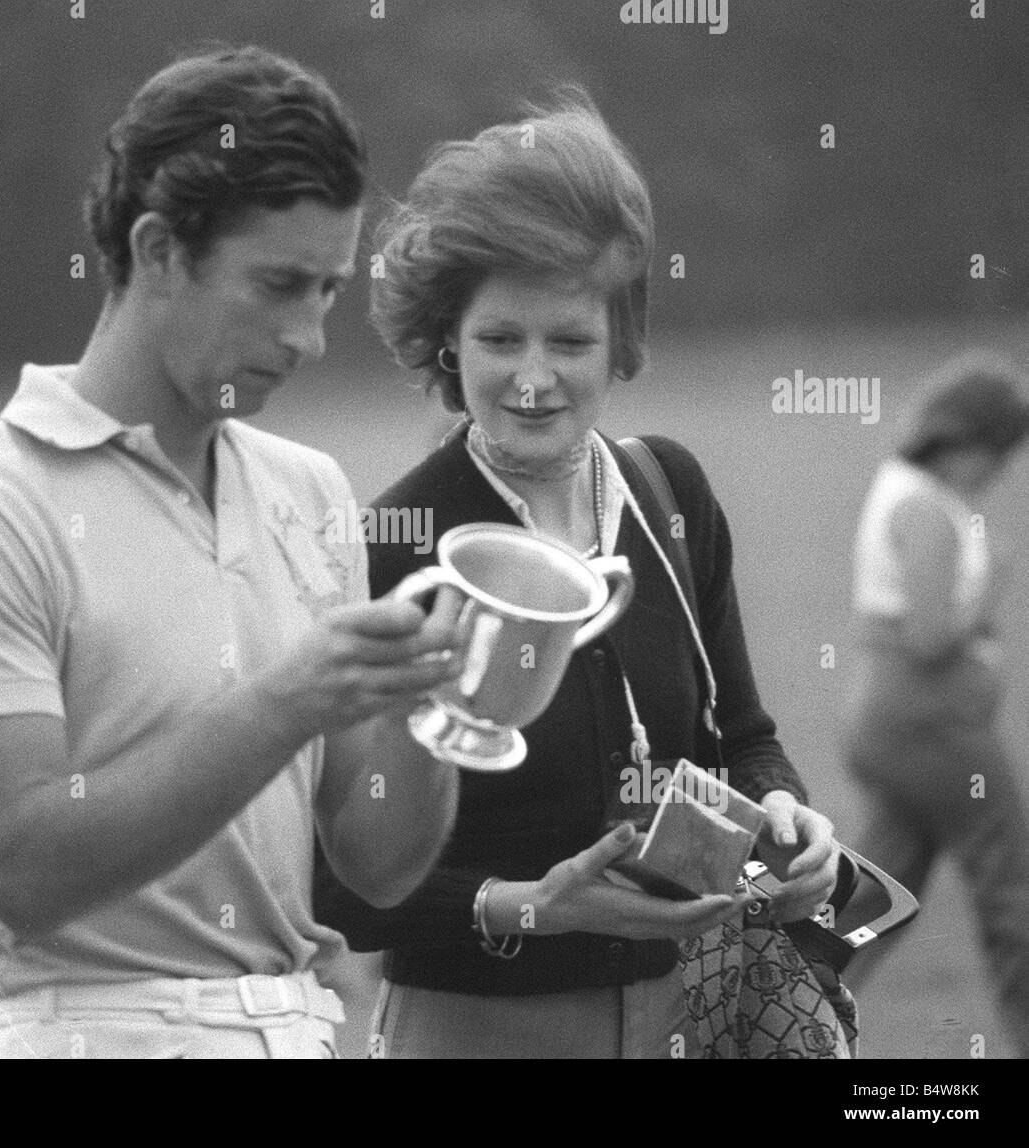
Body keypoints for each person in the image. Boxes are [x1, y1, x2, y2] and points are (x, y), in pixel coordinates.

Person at [0, 45, 471, 1059]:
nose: (311, 335)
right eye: (280, 285)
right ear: (157, 251)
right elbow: (25, 864)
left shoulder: (309, 490)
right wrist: (290, 698)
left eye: (328, 290)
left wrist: (445, 705)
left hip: (296, 1026)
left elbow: (377, 865)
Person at [313, 91, 841, 1059]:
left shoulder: (668, 489)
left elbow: (744, 738)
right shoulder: (392, 544)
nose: (531, 378)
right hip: (475, 1032)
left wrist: (784, 813)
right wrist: (527, 908)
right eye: (498, 339)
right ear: (445, 340)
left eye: (568, 341)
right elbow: (336, 884)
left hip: (692, 1015)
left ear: (622, 341)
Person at [841, 353, 1029, 1058]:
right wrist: (991, 588)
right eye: (1000, 452)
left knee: (876, 899)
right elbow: (927, 636)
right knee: (1013, 888)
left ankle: (774, 1015)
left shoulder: (909, 491)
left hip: (900, 728)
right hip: (930, 727)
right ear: (965, 442)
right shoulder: (923, 506)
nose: (1002, 471)